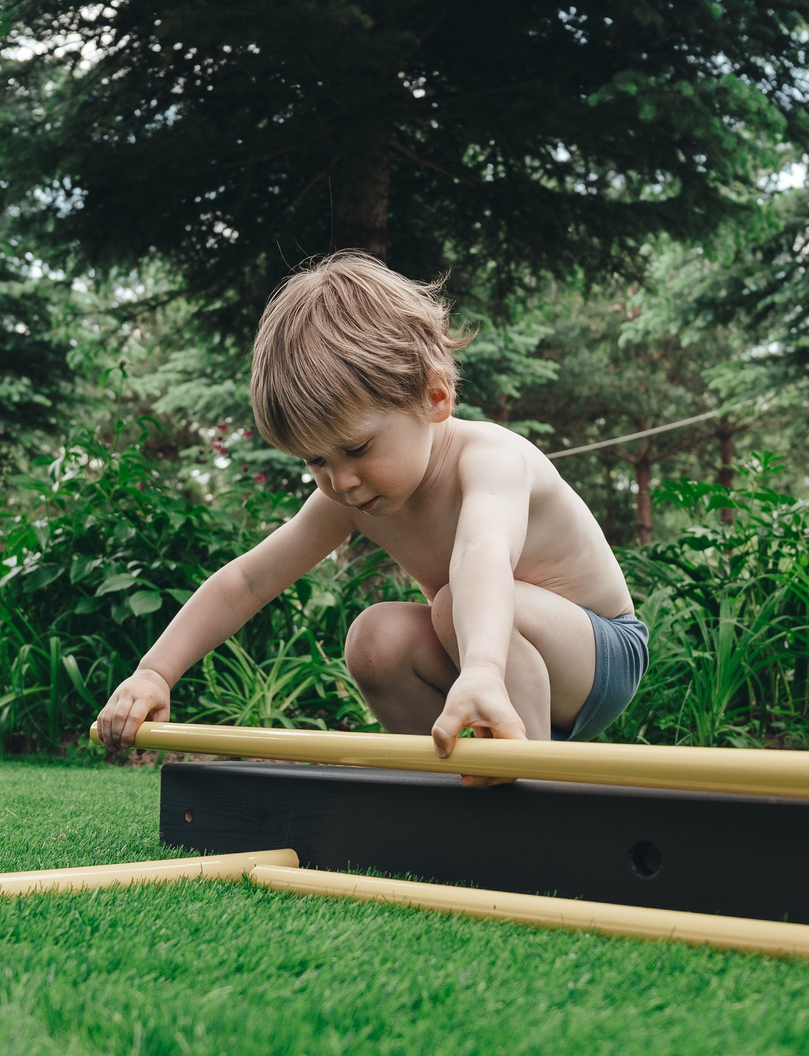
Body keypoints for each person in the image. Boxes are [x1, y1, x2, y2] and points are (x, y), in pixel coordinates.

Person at [91, 252, 647, 756]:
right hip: (483, 650)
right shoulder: (348, 493)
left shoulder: (491, 461)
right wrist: (155, 673)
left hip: (598, 654)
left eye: (357, 448)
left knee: (457, 600)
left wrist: (482, 668)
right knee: (374, 639)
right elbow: (249, 582)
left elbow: (483, 554)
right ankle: (451, 777)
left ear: (433, 396)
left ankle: (531, 785)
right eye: (315, 462)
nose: (341, 480)